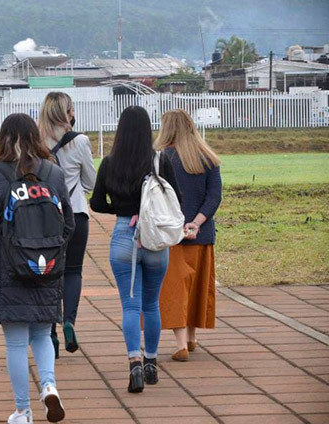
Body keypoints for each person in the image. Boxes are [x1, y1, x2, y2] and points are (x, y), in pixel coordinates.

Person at [0, 113, 74, 424]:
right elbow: (68, 223)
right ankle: (48, 385)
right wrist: (49, 253)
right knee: (42, 332)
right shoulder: (53, 174)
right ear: (35, 136)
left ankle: (23, 412)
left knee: (15, 342)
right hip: (47, 266)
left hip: (9, 268)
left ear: (3, 139)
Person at [89, 106, 182, 394]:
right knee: (151, 304)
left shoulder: (109, 162)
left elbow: (96, 203)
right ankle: (152, 362)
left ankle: (134, 364)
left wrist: (121, 208)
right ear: (147, 130)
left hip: (122, 237)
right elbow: (175, 198)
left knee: (130, 306)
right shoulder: (160, 161)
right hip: (153, 240)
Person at [154, 109, 222, 362]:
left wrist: (179, 225)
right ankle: (193, 338)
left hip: (171, 236)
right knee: (197, 288)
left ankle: (181, 344)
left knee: (175, 290)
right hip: (202, 235)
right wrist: (196, 223)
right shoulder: (208, 158)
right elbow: (214, 196)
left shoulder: (161, 158)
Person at [37, 91, 96, 358]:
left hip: (44, 216)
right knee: (73, 271)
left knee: (47, 274)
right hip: (77, 213)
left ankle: (50, 332)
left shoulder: (35, 140)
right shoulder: (80, 141)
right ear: (68, 112)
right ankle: (69, 320)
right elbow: (91, 183)